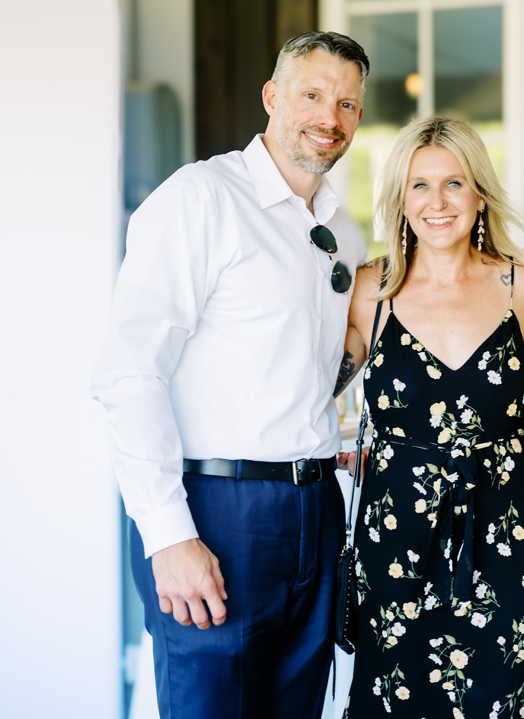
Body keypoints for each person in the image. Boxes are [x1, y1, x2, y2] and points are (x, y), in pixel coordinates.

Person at [90, 32, 369, 719]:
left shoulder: (346, 230)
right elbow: (129, 372)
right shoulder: (201, 198)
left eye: (348, 104)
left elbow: (303, 374)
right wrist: (168, 533)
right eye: (311, 94)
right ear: (272, 96)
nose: (329, 117)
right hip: (215, 508)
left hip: (314, 510)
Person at [335, 116, 524, 718]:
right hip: (395, 534)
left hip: (505, 532)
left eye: (453, 183)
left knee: (503, 696)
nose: (437, 202)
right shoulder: (372, 291)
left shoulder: (523, 286)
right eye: (419, 185)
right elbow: (310, 387)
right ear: (400, 200)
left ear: (479, 193)